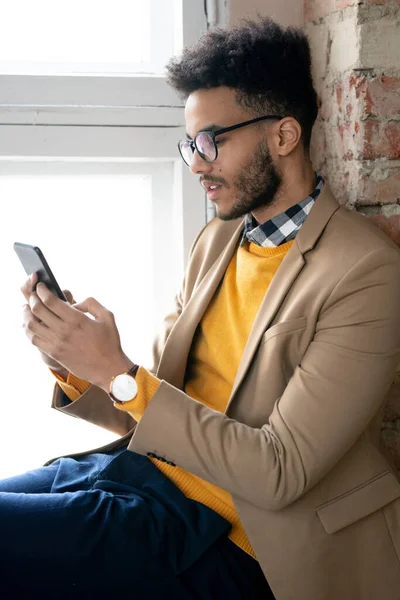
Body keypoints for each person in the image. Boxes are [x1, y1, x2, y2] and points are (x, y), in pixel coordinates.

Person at [2, 16, 400, 600]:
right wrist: (74, 359)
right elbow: (146, 411)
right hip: (145, 477)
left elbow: (279, 470)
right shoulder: (217, 243)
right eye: (189, 143)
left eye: (212, 140)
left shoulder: (366, 273)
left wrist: (119, 374)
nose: (195, 163)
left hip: (241, 537)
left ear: (283, 136)